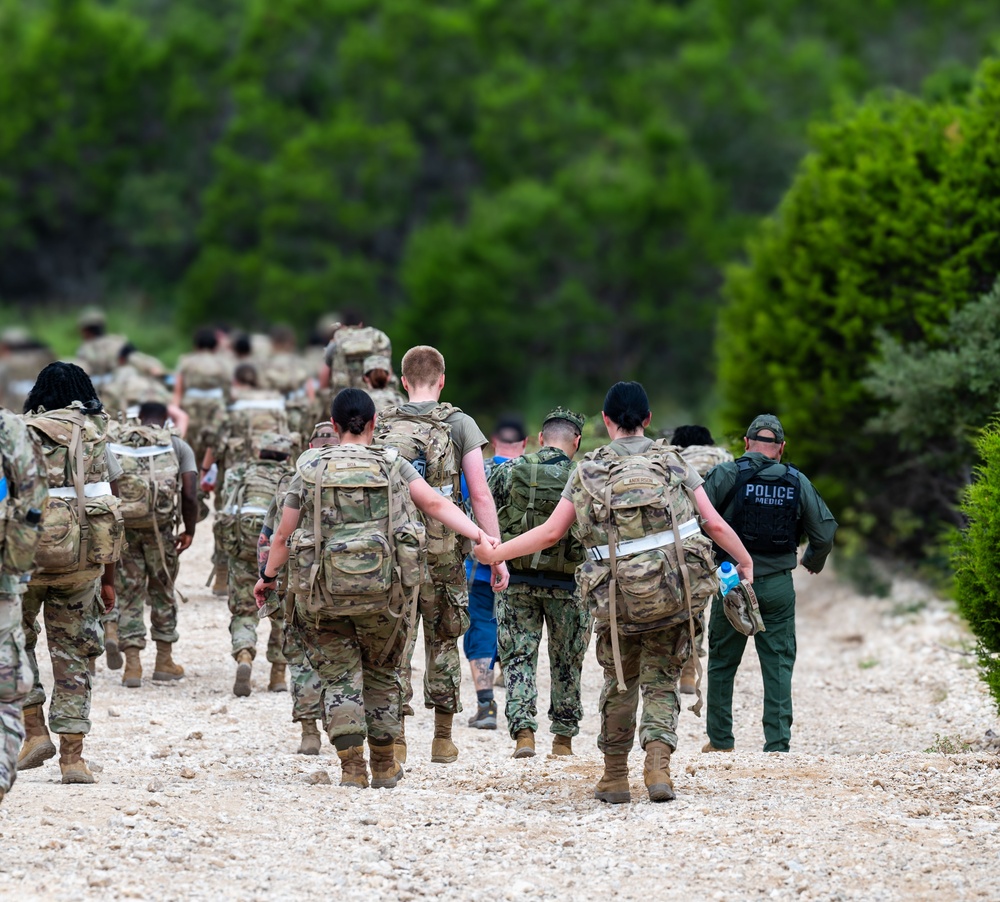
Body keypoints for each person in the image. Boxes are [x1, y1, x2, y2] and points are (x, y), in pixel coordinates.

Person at [475, 382, 753, 804]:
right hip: (674, 592)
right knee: (661, 678)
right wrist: (744, 558)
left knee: (620, 680)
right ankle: (658, 766)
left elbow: (551, 533)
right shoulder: (673, 462)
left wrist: (497, 552)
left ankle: (615, 776)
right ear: (649, 419)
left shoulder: (589, 469)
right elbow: (712, 523)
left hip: (618, 599)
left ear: (605, 422)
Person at [254, 389, 498, 789]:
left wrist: (266, 578)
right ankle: (384, 764)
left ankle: (352, 767)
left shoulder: (311, 466)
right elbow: (436, 506)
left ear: (333, 426)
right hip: (386, 595)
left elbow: (283, 535)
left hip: (322, 593)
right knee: (383, 674)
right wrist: (480, 536)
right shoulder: (393, 463)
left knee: (339, 677)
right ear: (373, 426)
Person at [374, 345, 508, 765]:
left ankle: (394, 738)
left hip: (394, 550)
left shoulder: (381, 424)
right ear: (443, 380)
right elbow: (480, 492)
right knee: (444, 638)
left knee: (395, 641)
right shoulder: (460, 423)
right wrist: (495, 551)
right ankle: (442, 738)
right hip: (444, 551)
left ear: (403, 381)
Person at [702, 414, 837, 754]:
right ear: (781, 448)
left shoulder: (726, 474)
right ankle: (777, 745)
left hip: (732, 584)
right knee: (777, 663)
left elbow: (694, 519)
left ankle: (720, 742)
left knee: (722, 661)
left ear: (746, 443)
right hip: (777, 586)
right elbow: (825, 532)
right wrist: (811, 562)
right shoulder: (796, 480)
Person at [18, 362, 123, 784]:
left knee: (14, 644)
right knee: (74, 656)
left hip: (21, 562)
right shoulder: (96, 434)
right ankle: (72, 759)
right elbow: (110, 508)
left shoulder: (19, 433)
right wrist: (110, 578)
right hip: (80, 563)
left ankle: (32, 730)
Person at [490, 407, 592, 758]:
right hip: (570, 585)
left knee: (518, 657)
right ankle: (563, 740)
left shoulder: (508, 470)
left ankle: (524, 735)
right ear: (576, 441)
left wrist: (496, 558)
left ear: (539, 439)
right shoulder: (584, 476)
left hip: (517, 580)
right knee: (567, 660)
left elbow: (487, 518)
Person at [256, 422, 339, 755]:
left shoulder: (293, 480)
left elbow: (271, 536)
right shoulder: (357, 476)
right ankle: (342, 722)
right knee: (341, 654)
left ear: (308, 446)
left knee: (301, 657)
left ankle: (309, 731)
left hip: (297, 583)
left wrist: (266, 576)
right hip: (341, 580)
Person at [108, 402, 198, 687]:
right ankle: (163, 661)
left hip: (125, 531)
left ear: (139, 417)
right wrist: (189, 530)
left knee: (129, 595)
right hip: (161, 533)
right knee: (162, 593)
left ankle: (132, 666)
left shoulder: (117, 442)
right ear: (166, 418)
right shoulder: (177, 445)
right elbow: (191, 495)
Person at [217, 431, 295, 696]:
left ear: (259, 452)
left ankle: (244, 656)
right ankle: (277, 676)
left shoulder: (239, 473)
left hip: (241, 546)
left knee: (243, 610)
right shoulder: (292, 476)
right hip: (277, 551)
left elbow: (225, 505)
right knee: (282, 614)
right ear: (286, 455)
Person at [464, 416, 527, 730]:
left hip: (480, 568)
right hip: (526, 570)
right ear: (526, 443)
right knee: (519, 634)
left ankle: (486, 704)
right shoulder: (532, 472)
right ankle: (523, 714)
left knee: (481, 630)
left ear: (493, 440)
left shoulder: (478, 471)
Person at [0, 408, 48, 805]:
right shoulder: (9, 427)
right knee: (7, 688)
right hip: (4, 577)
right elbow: (33, 498)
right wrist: (16, 568)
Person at [670, 425, 734, 695]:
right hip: (716, 541)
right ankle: (692, 666)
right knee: (702, 603)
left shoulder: (671, 458)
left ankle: (677, 665)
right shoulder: (725, 458)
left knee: (679, 602)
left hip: (679, 541)